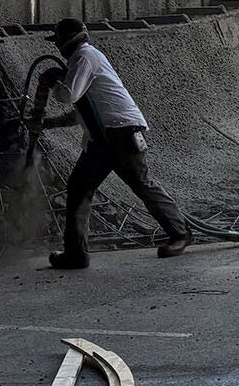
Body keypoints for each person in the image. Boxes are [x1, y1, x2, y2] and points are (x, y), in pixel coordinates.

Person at [35, 18, 191, 270]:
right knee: (79, 187)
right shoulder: (82, 60)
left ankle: (181, 235)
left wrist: (55, 79)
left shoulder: (84, 56)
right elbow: (84, 111)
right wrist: (51, 123)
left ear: (67, 40)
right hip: (104, 136)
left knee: (141, 184)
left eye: (58, 42)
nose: (58, 48)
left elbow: (69, 95)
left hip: (122, 132)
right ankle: (76, 254)